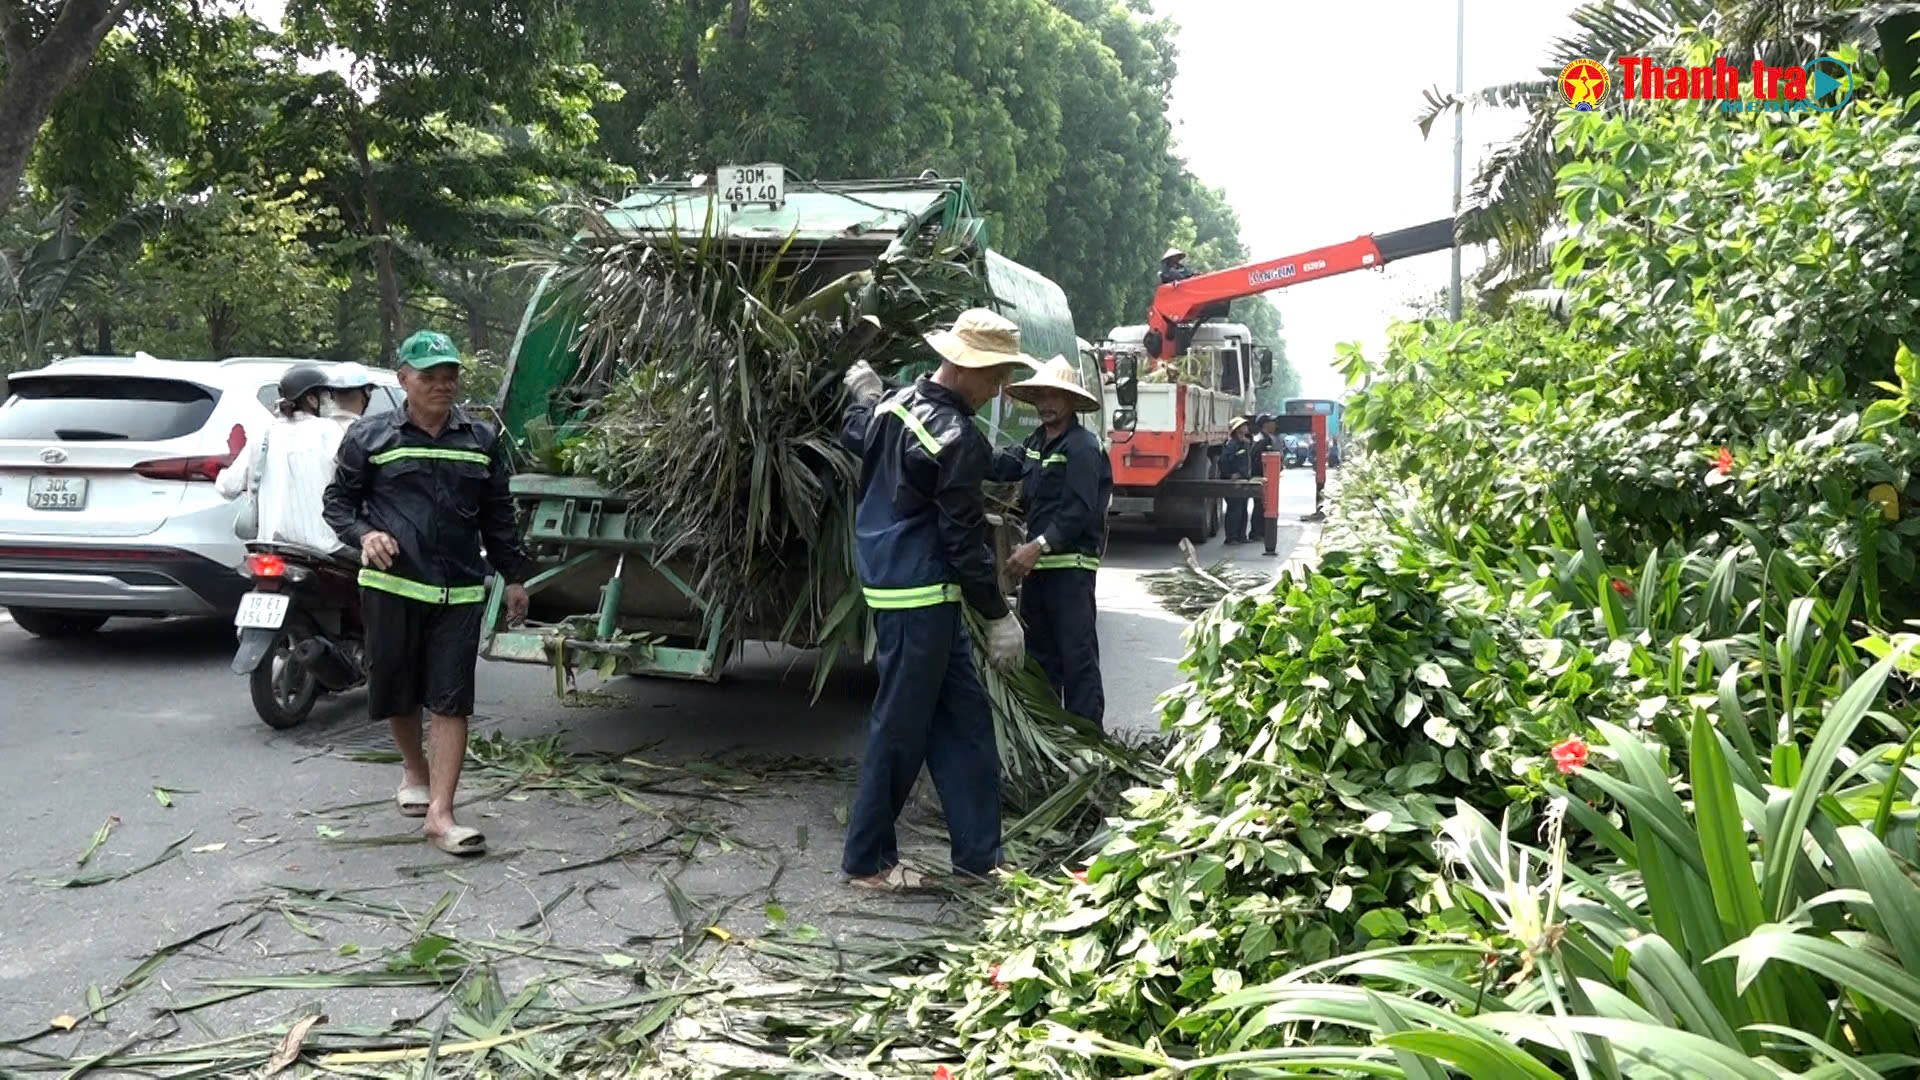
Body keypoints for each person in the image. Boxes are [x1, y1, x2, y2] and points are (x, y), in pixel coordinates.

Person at [837, 308, 1035, 892]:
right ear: (965, 366)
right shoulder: (956, 437)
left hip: (907, 589)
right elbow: (962, 542)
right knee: (901, 726)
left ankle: (979, 858)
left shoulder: (892, 406)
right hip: (918, 595)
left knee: (965, 723)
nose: (999, 387)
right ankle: (867, 861)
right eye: (995, 374)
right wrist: (1000, 616)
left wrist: (864, 392)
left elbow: (854, 429)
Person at [322, 330, 533, 857]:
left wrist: (514, 576)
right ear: (404, 380)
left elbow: (497, 517)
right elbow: (338, 504)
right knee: (397, 685)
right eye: (430, 376)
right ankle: (413, 768)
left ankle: (441, 814)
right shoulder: (369, 438)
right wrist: (364, 535)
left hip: (460, 589)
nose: (443, 385)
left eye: (450, 376)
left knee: (451, 697)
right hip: (393, 585)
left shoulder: (480, 440)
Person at [991, 356, 1112, 728]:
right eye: (1041, 395)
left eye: (1055, 396)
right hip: (1038, 575)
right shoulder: (1036, 442)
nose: (1047, 403)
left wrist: (1037, 545)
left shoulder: (1083, 448)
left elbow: (1078, 511)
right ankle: (1049, 745)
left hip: (1070, 574)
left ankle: (1088, 746)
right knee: (1040, 662)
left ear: (1071, 402)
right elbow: (1003, 466)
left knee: (1077, 661)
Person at [217, 365, 352, 554]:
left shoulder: (264, 434)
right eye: (326, 396)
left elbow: (227, 487)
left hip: (271, 547)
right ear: (312, 399)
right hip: (325, 548)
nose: (330, 402)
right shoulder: (330, 431)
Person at [1220, 416, 1254, 545]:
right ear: (1238, 429)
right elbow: (1223, 461)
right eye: (1244, 425)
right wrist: (1230, 475)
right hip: (1233, 482)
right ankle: (1231, 537)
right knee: (1234, 508)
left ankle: (1241, 536)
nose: (1246, 427)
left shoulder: (1245, 443)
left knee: (1243, 508)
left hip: (1244, 479)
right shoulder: (1232, 444)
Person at [1249, 414, 1278, 541]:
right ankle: (1256, 532)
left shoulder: (1267, 438)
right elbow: (1255, 460)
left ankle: (1261, 532)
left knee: (1264, 505)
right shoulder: (1260, 440)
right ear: (1265, 424)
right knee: (1259, 505)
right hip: (1260, 477)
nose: (1275, 425)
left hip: (1266, 477)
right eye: (1272, 422)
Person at [324, 361, 376, 426]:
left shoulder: (314, 428)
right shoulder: (370, 432)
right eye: (370, 389)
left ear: (331, 394)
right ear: (366, 392)